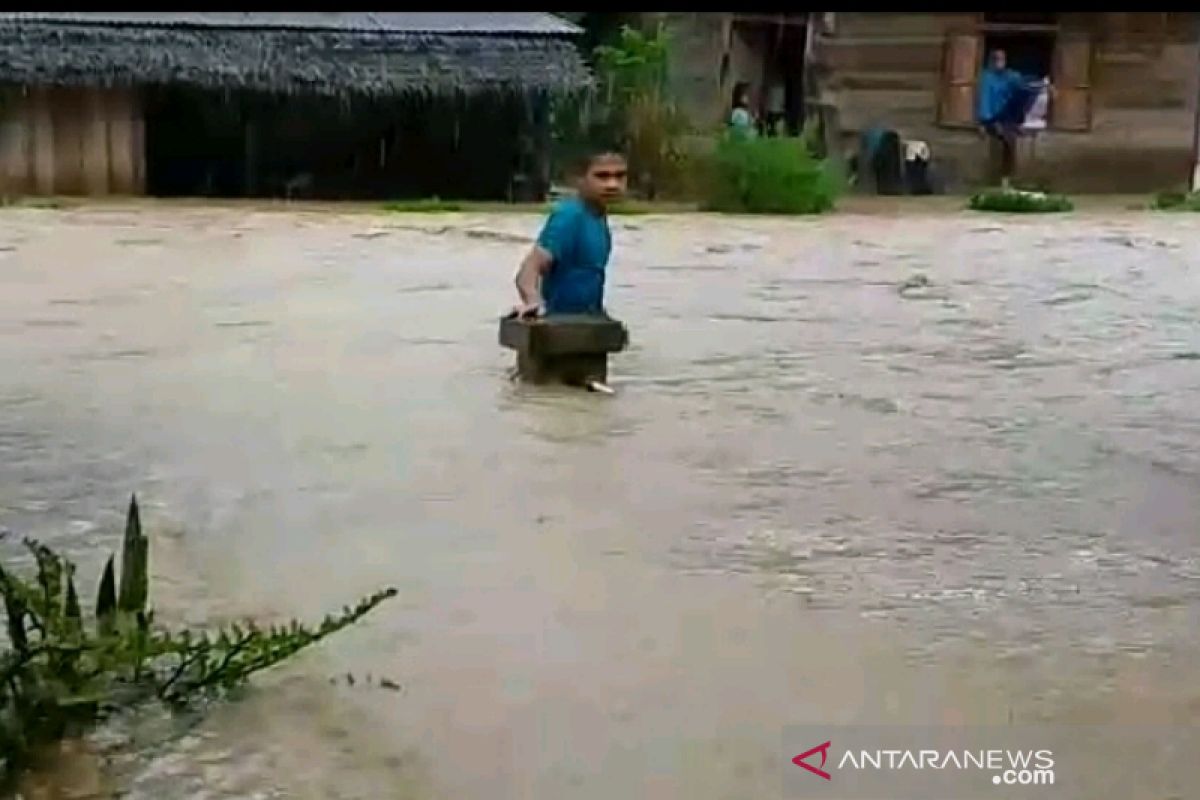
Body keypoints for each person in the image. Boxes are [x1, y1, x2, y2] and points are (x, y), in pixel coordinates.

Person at [511, 148, 628, 319]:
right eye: (602, 176)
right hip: (557, 327)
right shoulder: (569, 216)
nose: (612, 184)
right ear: (580, 179)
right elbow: (528, 271)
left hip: (585, 324)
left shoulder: (598, 219)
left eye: (619, 176)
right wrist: (533, 302)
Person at [976, 49, 1044, 187]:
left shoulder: (1010, 76)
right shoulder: (986, 77)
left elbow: (1024, 84)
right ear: (991, 61)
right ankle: (1002, 177)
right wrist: (983, 121)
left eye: (1002, 59)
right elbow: (985, 99)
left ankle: (1006, 177)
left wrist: (1043, 84)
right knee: (1005, 140)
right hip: (992, 116)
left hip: (1008, 115)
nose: (999, 63)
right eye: (996, 59)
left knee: (1010, 141)